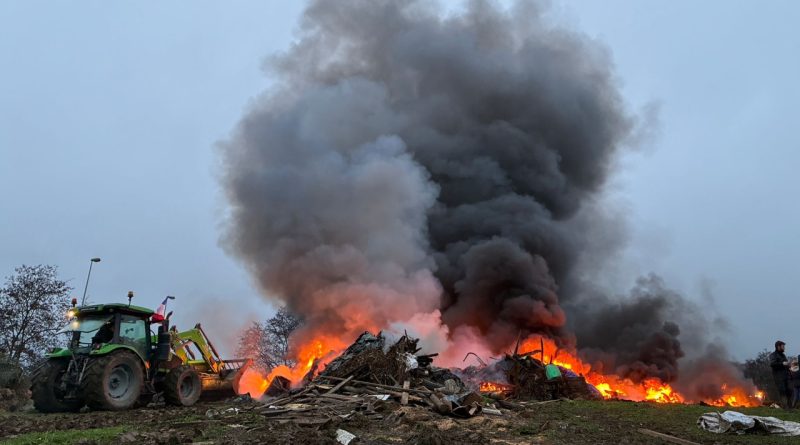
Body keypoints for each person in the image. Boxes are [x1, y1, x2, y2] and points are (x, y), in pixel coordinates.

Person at [770, 340, 791, 408]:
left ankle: (790, 407)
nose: (784, 347)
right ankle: (785, 408)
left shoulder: (783, 355)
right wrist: (782, 364)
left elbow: (786, 365)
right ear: (778, 346)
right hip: (779, 377)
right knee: (782, 392)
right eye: (783, 346)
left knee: (789, 391)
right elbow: (772, 364)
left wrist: (790, 366)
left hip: (786, 376)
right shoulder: (773, 355)